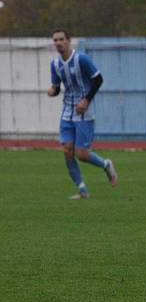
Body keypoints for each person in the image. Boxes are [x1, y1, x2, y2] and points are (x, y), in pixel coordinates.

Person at [47, 29, 117, 199]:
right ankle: (82, 189)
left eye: (61, 39)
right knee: (67, 150)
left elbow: (98, 79)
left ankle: (106, 164)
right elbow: (56, 87)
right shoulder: (55, 64)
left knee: (82, 154)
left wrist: (86, 100)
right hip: (67, 112)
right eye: (55, 40)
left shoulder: (81, 59)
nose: (58, 43)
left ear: (68, 41)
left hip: (84, 112)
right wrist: (53, 91)